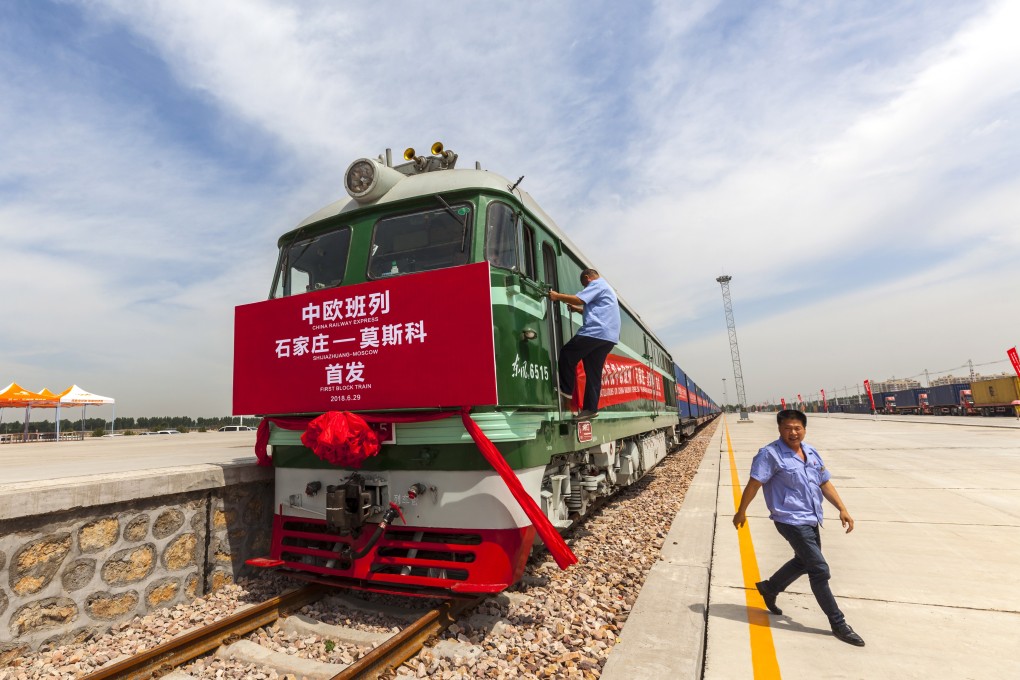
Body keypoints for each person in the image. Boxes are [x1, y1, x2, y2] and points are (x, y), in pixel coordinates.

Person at [732, 409, 865, 647]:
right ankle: (838, 623)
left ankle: (770, 588)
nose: (793, 433)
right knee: (820, 570)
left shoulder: (811, 452)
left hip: (812, 518)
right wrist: (741, 511)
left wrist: (842, 508)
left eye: (797, 428)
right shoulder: (770, 454)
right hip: (789, 519)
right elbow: (754, 484)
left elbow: (824, 482)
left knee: (804, 562)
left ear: (804, 429)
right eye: (787, 428)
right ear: (779, 429)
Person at [548, 268, 620, 419]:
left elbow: (580, 299)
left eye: (584, 286)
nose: (585, 289)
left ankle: (565, 393)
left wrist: (557, 296)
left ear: (587, 278)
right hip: (608, 338)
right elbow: (597, 311)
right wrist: (578, 310)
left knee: (567, 354)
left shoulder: (597, 284)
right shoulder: (608, 289)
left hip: (596, 332)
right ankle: (591, 408)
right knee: (593, 373)